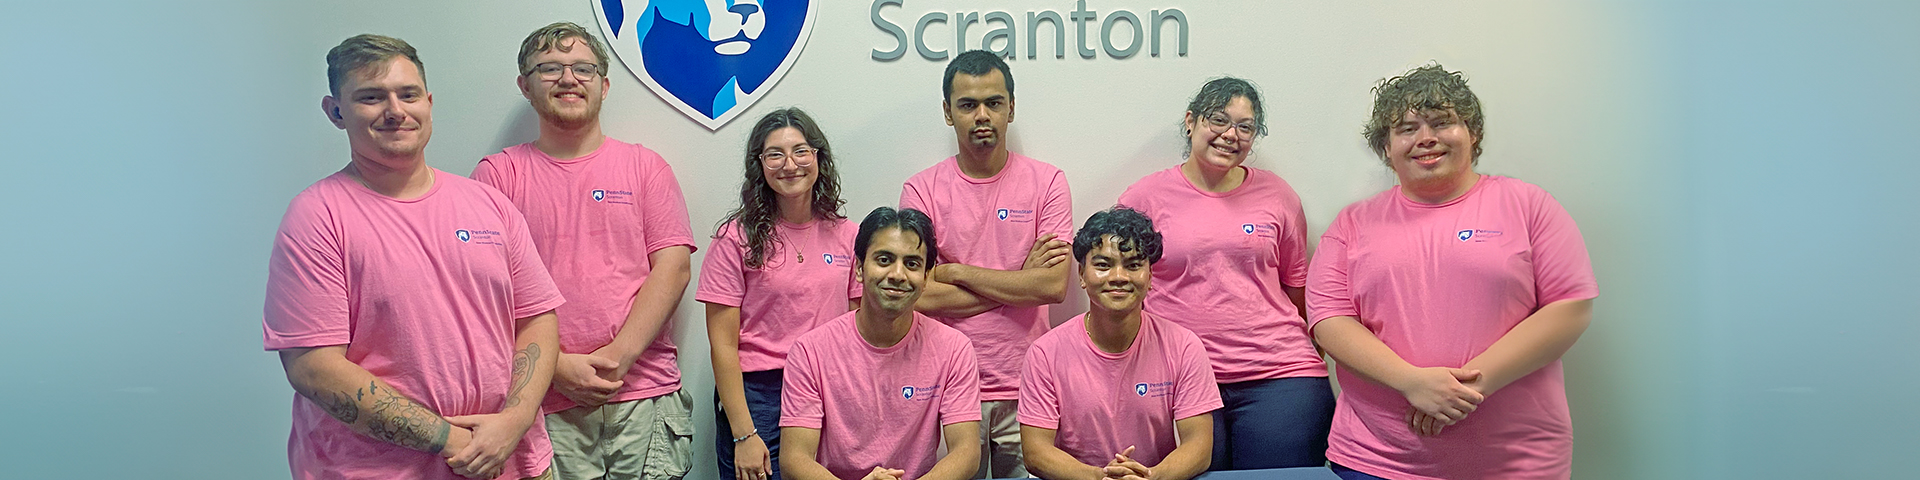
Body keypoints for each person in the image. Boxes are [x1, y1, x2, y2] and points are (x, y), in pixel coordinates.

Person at [265, 34, 562, 480]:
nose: (395, 111)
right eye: (370, 97)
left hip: (516, 460)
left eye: (407, 95)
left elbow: (537, 318)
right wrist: (453, 440)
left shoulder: (489, 204)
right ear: (336, 112)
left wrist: (514, 422)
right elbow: (314, 368)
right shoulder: (317, 217)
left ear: (428, 101)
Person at [1307, 64, 1598, 480]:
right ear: (1386, 148)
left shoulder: (1529, 205)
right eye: (1406, 128)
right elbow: (1329, 321)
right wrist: (1412, 383)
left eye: (1442, 122)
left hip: (1515, 461)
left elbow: (1570, 307)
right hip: (1378, 459)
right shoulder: (1352, 224)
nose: (1425, 137)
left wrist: (1468, 390)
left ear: (1472, 133)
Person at [471, 22, 696, 480]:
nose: (569, 79)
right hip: (541, 399)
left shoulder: (645, 167)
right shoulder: (498, 176)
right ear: (525, 87)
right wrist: (554, 366)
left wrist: (619, 357)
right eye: (550, 68)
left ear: (605, 84)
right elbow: (483, 292)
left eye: (583, 68)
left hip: (644, 394)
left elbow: (672, 269)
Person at [1114, 77, 1334, 470]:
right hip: (1178, 378)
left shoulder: (1278, 195)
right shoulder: (1144, 198)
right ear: (1190, 121)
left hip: (1280, 374)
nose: (1230, 135)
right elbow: (1121, 286)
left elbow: (1297, 287)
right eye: (1218, 120)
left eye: (1245, 126)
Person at [899, 49, 1074, 479]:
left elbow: (1052, 287)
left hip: (1030, 385)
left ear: (1011, 108)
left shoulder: (1047, 182)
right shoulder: (921, 191)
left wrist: (956, 272)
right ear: (947, 112)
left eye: (994, 103)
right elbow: (918, 294)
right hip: (948, 389)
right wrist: (1019, 281)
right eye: (967, 104)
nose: (982, 115)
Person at [698, 108, 859, 480]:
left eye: (801, 151)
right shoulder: (734, 239)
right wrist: (743, 434)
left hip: (829, 387)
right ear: (759, 165)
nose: (790, 165)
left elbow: (857, 329)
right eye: (775, 154)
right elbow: (722, 346)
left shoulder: (849, 235)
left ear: (818, 157)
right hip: (760, 395)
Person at [780, 207, 983, 480]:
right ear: (860, 269)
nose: (897, 274)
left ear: (925, 278)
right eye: (884, 260)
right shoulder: (810, 351)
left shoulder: (954, 349)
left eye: (912, 264)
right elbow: (795, 459)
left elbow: (966, 452)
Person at [1018, 208, 1221, 480]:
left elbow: (1199, 445)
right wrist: (1099, 478)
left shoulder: (1184, 346)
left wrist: (1151, 477)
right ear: (1081, 274)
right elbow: (1036, 452)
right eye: (1103, 265)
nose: (1119, 277)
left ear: (1149, 277)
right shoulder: (1045, 353)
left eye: (1133, 265)